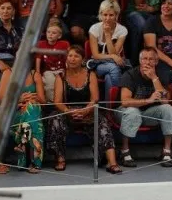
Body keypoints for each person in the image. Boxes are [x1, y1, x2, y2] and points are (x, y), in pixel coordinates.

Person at [48, 45, 121, 173]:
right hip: (67, 111)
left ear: (82, 60)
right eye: (70, 56)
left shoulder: (90, 74)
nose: (72, 59)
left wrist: (85, 110)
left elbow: (95, 99)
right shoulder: (60, 76)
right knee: (55, 119)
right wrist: (69, 111)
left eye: (76, 56)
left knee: (102, 122)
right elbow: (57, 102)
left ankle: (112, 162)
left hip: (87, 111)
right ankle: (60, 159)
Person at [117, 47, 172, 168]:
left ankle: (166, 152)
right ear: (140, 61)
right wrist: (148, 100)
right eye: (145, 59)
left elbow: (165, 100)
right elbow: (125, 102)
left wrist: (154, 78)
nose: (148, 62)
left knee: (167, 108)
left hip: (149, 113)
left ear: (156, 62)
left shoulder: (161, 74)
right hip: (126, 112)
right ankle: (124, 151)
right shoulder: (130, 75)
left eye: (151, 59)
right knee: (133, 111)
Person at [0, 58, 46, 173]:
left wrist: (32, 98)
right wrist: (18, 99)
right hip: (15, 111)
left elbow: (43, 101)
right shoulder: (8, 73)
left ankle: (22, 147)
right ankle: (35, 163)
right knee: (31, 117)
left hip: (33, 111)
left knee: (31, 111)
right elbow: (0, 99)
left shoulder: (35, 75)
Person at [87, 0, 129, 101]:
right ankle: (118, 100)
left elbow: (113, 52)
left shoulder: (122, 30)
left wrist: (107, 35)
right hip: (97, 64)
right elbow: (96, 55)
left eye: (111, 15)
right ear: (101, 15)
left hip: (113, 64)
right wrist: (113, 56)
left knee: (109, 78)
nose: (107, 18)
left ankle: (108, 108)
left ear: (117, 15)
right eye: (105, 15)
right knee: (113, 68)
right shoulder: (94, 29)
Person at [34, 20, 69, 103]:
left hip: (61, 70)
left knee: (63, 85)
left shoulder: (64, 44)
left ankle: (62, 103)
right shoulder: (41, 44)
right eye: (48, 32)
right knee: (50, 84)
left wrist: (68, 71)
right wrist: (38, 72)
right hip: (48, 71)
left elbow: (67, 58)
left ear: (59, 36)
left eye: (54, 33)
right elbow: (38, 59)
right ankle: (51, 103)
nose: (50, 34)